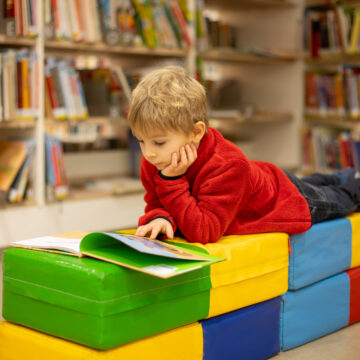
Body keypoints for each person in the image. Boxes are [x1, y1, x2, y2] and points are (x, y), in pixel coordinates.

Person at [126, 66, 360, 245]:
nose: (148, 153)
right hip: (261, 178)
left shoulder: (227, 165)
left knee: (342, 197)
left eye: (159, 142)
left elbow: (205, 231)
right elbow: (157, 203)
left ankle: (352, 181)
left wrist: (172, 182)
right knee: (319, 182)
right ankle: (341, 176)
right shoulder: (156, 159)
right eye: (141, 141)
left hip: (282, 199)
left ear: (196, 132)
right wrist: (161, 218)